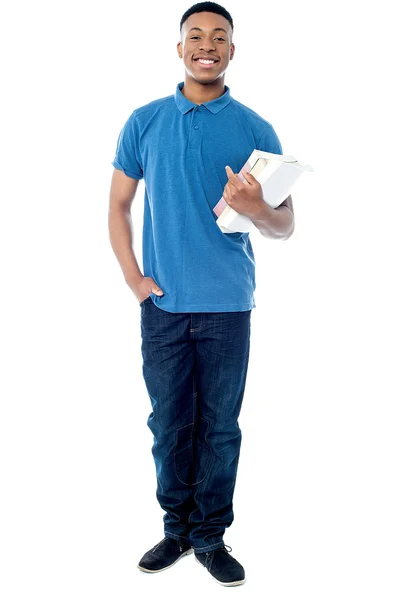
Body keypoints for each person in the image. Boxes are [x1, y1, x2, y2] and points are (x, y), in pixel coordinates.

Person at [108, 1, 294, 587]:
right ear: (180, 48)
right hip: (161, 305)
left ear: (232, 51)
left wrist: (256, 206)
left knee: (220, 427)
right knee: (169, 424)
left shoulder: (255, 129)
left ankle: (210, 535)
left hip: (228, 305)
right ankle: (175, 529)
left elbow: (284, 225)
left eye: (219, 36)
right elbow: (117, 205)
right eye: (196, 35)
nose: (206, 44)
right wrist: (135, 280)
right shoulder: (143, 121)